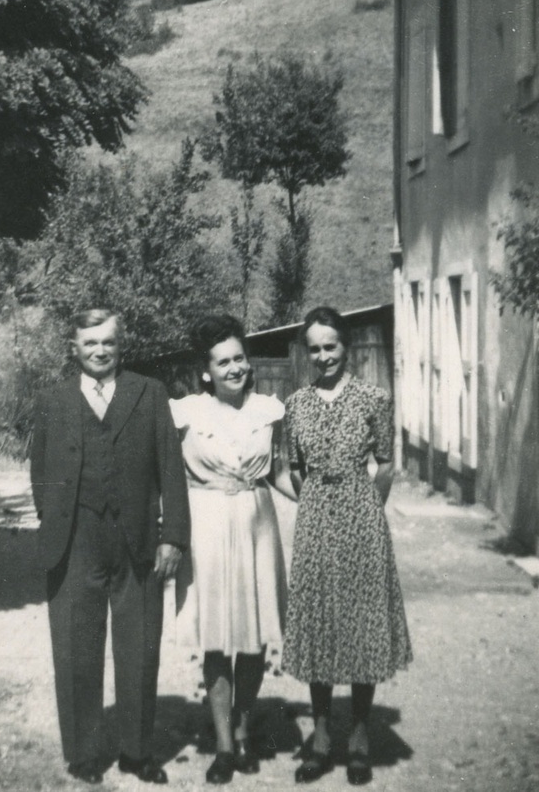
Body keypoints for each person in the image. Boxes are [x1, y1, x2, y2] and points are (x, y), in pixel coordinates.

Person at [31, 308, 190, 786]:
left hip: (136, 542)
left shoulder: (149, 392)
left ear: (121, 346)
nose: (99, 351)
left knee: (139, 649)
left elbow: (171, 470)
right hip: (74, 542)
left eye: (108, 343)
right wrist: (56, 519)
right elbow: (39, 470)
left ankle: (137, 753)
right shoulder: (53, 400)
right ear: (74, 348)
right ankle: (83, 755)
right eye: (89, 343)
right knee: (76, 651)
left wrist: (173, 537)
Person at [282, 306, 412, 787]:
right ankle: (319, 734)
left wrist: (363, 510)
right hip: (315, 521)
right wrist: (319, 502)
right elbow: (294, 467)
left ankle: (358, 732)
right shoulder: (296, 403)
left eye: (330, 346)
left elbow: (385, 464)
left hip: (362, 520)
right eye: (314, 349)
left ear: (346, 347)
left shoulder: (373, 398)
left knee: (360, 622)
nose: (322, 356)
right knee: (319, 623)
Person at [170, 314, 294, 785]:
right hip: (207, 526)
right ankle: (223, 744)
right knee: (218, 637)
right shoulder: (184, 413)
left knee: (256, 636)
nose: (234, 368)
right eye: (223, 362)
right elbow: (166, 476)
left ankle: (244, 728)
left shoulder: (269, 409)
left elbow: (279, 474)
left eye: (240, 358)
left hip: (258, 523)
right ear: (207, 371)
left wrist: (325, 500)